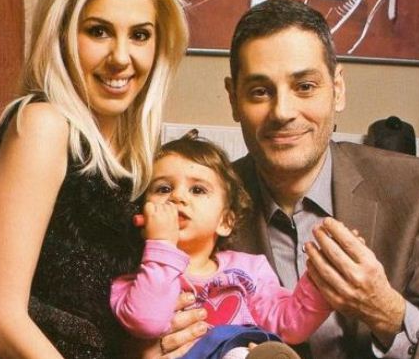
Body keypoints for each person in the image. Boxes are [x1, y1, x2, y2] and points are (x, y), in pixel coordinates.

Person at [153, 0, 419, 359]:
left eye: (305, 86)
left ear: (337, 89)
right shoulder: (195, 201)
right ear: (233, 99)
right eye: (260, 91)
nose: (283, 112)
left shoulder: (414, 188)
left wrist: (384, 309)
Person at [0, 0, 187, 358]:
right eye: (98, 31)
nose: (121, 57)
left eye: (139, 35)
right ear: (60, 33)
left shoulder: (135, 155)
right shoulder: (43, 125)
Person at [110, 131, 331, 359]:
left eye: (197, 190)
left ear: (225, 221)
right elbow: (147, 322)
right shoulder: (134, 282)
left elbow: (289, 324)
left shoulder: (250, 269)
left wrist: (322, 278)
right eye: (163, 189)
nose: (177, 197)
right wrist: (162, 244)